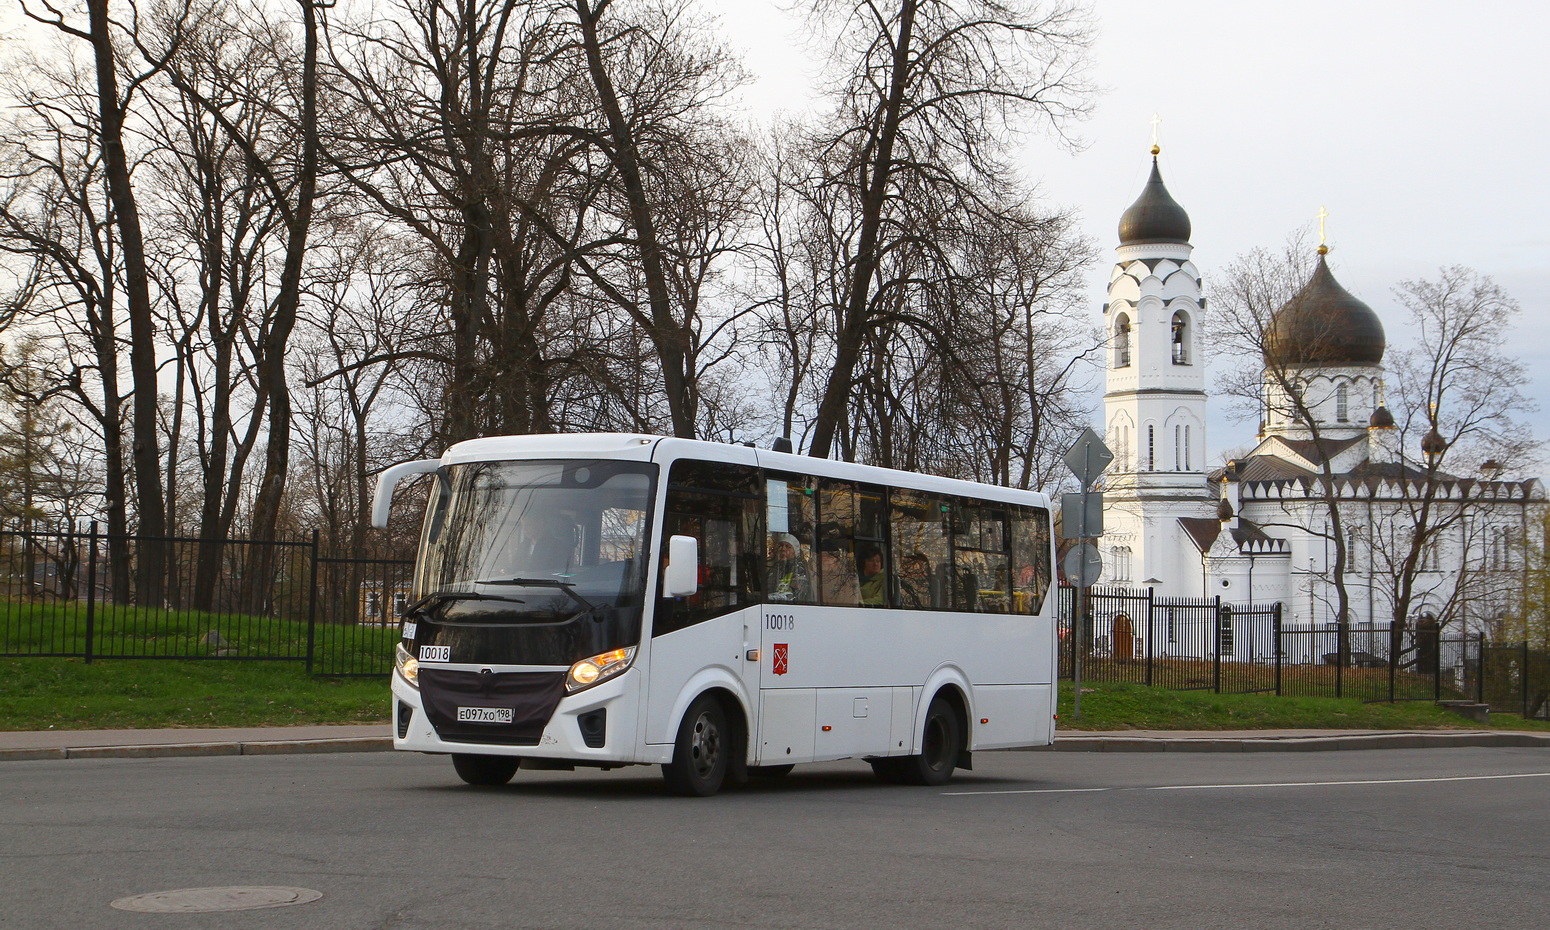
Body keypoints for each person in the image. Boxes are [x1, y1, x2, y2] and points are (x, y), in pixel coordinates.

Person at [766, 532, 811, 602]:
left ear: (795, 552)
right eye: (780, 546)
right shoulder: (773, 569)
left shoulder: (799, 568)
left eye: (788, 546)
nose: (783, 549)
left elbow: (798, 595)